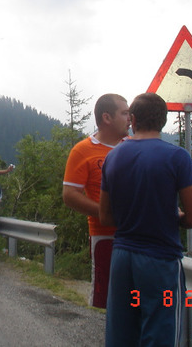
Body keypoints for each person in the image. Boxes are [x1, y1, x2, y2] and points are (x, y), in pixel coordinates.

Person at [99, 92, 192, 347]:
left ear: (132, 119)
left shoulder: (113, 157)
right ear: (163, 121)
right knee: (160, 329)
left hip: (122, 259)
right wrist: (176, 218)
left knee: (122, 332)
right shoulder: (178, 158)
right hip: (160, 261)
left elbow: (105, 215)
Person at [62, 93, 129, 308]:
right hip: (105, 237)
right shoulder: (83, 150)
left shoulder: (134, 146)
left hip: (139, 234)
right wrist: (106, 214)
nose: (130, 117)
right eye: (125, 113)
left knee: (135, 300)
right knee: (106, 301)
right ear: (107, 118)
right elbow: (70, 195)